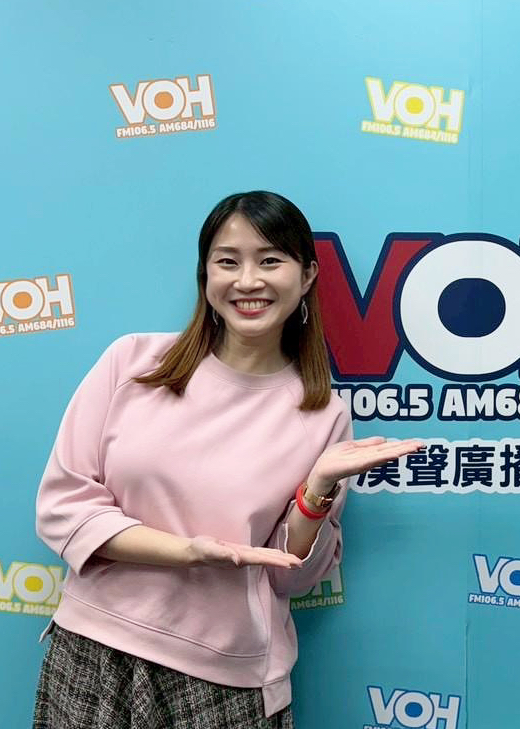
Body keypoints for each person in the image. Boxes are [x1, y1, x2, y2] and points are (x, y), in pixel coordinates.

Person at [33, 191, 422, 728]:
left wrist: (316, 493)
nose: (248, 281)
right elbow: (63, 508)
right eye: (228, 261)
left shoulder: (322, 414)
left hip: (227, 676)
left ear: (307, 275)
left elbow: (294, 578)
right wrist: (188, 552)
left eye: (270, 260)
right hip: (95, 649)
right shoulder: (134, 361)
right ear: (205, 273)